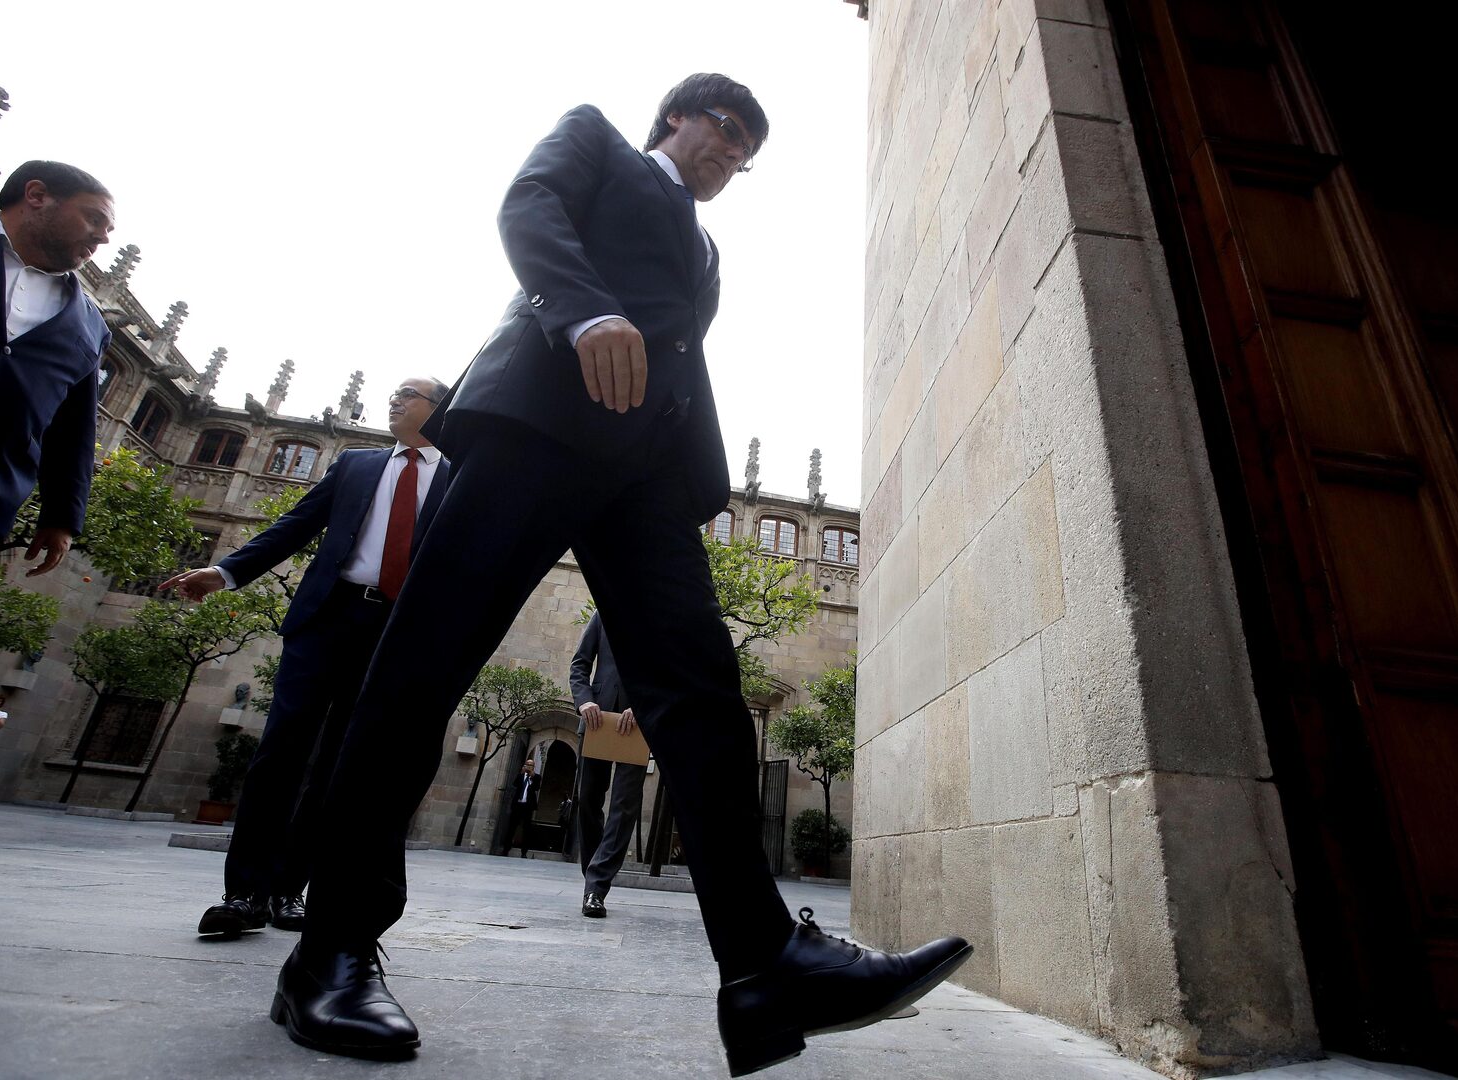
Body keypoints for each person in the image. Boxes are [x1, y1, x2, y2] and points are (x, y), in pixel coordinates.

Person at [269, 75, 970, 1076]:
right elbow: (528, 207)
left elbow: (680, 352)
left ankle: (765, 962)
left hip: (644, 475)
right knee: (419, 675)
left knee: (702, 691)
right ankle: (331, 949)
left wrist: (695, 472)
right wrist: (584, 312)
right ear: (676, 116)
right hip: (534, 426)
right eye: (726, 127)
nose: (733, 151)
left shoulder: (707, 249)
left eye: (749, 149)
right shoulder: (597, 141)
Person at [159, 378, 450, 939]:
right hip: (326, 619)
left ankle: (290, 889)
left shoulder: (457, 478)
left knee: (339, 765)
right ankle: (243, 894)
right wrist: (225, 571)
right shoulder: (357, 464)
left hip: (392, 633)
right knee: (281, 751)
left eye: (409, 393)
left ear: (439, 410)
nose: (394, 400)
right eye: (393, 393)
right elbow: (296, 525)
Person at [0, 162, 115, 646]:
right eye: (94, 218)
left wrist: (61, 516)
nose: (102, 237)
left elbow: (73, 428)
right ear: (36, 195)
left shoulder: (90, 324)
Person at [569, 611, 645, 918]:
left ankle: (596, 888)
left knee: (624, 807)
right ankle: (593, 876)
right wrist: (584, 700)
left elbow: (669, 674)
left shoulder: (662, 617)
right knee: (587, 800)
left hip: (637, 725)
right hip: (596, 720)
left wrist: (644, 706)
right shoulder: (603, 614)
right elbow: (579, 664)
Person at [501, 758, 541, 858]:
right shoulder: (520, 776)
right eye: (527, 764)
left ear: (533, 767)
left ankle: (524, 852)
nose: (529, 766)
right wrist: (521, 773)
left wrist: (532, 778)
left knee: (526, 829)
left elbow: (536, 788)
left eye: (531, 765)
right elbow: (515, 784)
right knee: (511, 827)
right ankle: (506, 850)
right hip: (517, 805)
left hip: (528, 807)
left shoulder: (537, 777)